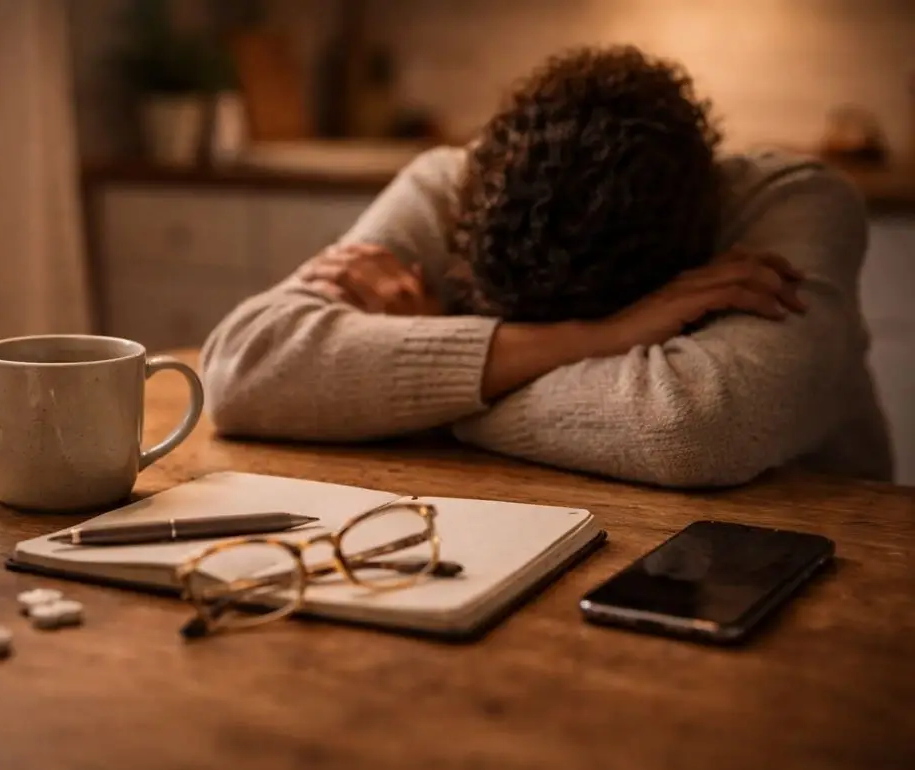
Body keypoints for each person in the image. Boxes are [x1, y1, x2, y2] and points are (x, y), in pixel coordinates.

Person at [198, 45, 893, 488]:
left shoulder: (793, 202)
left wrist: (423, 394)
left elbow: (693, 427)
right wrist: (599, 341)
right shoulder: (449, 183)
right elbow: (241, 368)